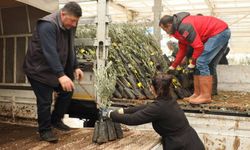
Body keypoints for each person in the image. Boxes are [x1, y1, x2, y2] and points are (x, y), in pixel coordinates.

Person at [23, 2, 83, 143]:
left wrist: (75, 66)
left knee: (67, 91)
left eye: (76, 21)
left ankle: (56, 120)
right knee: (45, 101)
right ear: (63, 14)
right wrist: (61, 75)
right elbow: (49, 52)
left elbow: (70, 47)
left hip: (53, 70)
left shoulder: (68, 25)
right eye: (73, 20)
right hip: (38, 70)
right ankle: (44, 130)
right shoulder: (47, 25)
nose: (74, 24)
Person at [105, 74, 204, 150]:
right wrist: (124, 110)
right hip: (191, 141)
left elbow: (133, 119)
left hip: (182, 146)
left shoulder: (159, 107)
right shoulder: (169, 100)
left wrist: (111, 114)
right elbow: (147, 107)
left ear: (153, 89)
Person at [159, 12, 231, 104]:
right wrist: (173, 66)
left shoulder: (184, 26)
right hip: (219, 32)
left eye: (165, 29)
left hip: (219, 32)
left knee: (201, 61)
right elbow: (182, 50)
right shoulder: (177, 30)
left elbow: (198, 47)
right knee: (205, 63)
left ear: (169, 25)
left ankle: (205, 96)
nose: (165, 32)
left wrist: (192, 63)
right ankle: (197, 94)